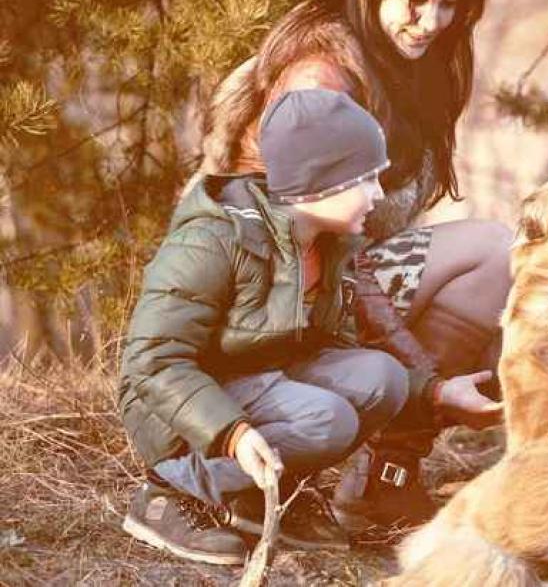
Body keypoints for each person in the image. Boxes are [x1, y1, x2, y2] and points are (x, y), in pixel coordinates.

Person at [194, 0, 511, 529]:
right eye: (414, 0)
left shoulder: (411, 63)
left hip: (343, 268)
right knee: (492, 252)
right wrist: (428, 379)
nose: (430, 22)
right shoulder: (321, 76)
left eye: (448, 6)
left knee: (504, 263)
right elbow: (302, 247)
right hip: (278, 294)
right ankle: (336, 467)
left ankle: (389, 476)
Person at [119, 90, 500, 565]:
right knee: (327, 419)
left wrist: (436, 392)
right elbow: (152, 361)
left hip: (259, 383)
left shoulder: (329, 244)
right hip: (176, 412)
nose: (379, 195)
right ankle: (167, 492)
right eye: (366, 180)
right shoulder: (213, 240)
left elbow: (347, 346)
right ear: (318, 185)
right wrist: (232, 433)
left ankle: (266, 495)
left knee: (384, 379)